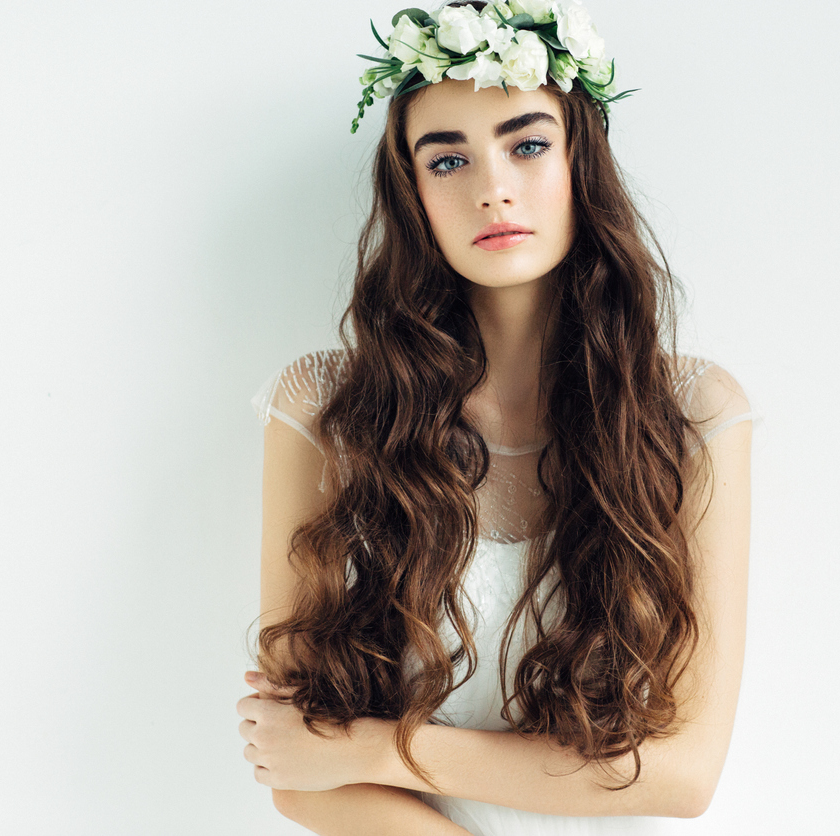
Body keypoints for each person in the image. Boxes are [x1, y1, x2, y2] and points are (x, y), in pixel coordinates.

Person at [237, 2, 762, 833]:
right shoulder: (325, 412)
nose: (493, 189)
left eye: (526, 144)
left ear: (579, 161)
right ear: (412, 193)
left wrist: (377, 749)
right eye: (447, 161)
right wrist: (340, 755)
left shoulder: (692, 414)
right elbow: (296, 766)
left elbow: (681, 777)